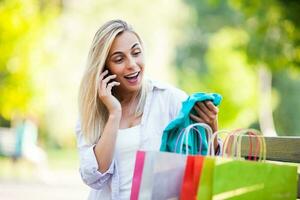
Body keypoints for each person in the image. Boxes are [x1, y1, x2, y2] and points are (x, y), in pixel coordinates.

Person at [75, 19, 219, 200]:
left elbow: (204, 163)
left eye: (136, 53)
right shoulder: (93, 111)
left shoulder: (171, 100)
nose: (132, 64)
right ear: (104, 68)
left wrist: (212, 127)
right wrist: (114, 114)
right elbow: (93, 176)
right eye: (119, 59)